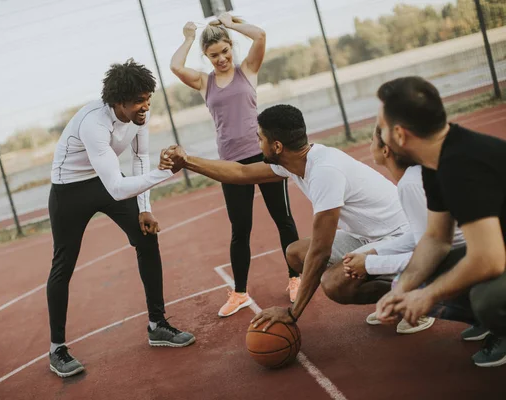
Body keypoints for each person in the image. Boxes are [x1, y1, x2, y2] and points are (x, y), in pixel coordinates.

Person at [159, 104, 408, 331]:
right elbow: (241, 172)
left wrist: (292, 313)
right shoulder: (296, 162)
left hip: (400, 237)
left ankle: (413, 291)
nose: (257, 145)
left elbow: (321, 251)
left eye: (260, 139)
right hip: (367, 237)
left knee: (334, 284)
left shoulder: (324, 172)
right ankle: (394, 291)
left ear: (277, 146)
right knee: (296, 253)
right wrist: (187, 161)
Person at [47, 59, 195, 378]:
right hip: (69, 190)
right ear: (118, 102)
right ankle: (56, 348)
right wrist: (165, 172)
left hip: (104, 179)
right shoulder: (93, 123)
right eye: (139, 101)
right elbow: (116, 188)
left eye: (148, 99)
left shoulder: (139, 115)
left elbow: (139, 157)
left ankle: (157, 325)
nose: (145, 106)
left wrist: (144, 207)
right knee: (64, 262)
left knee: (147, 236)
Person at [169, 13, 301, 316]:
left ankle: (295, 278)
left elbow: (260, 36)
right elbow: (176, 66)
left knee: (283, 219)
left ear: (231, 47)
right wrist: (189, 37)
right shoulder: (205, 82)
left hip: (263, 156)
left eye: (225, 51)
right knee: (240, 229)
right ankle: (240, 292)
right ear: (207, 56)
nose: (222, 58)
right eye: (214, 55)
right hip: (230, 163)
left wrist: (229, 23)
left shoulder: (248, 70)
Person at [374, 76, 506, 367]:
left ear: (399, 134)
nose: (379, 133)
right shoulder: (436, 160)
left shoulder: (462, 166)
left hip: (498, 254)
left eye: (380, 126)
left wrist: (427, 296)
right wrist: (403, 288)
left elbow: (490, 260)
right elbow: (436, 238)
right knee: (425, 274)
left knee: (488, 298)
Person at [343, 124, 466, 334]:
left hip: (477, 257)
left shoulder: (411, 183)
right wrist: (376, 251)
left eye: (372, 140)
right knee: (402, 282)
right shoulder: (417, 174)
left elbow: (428, 257)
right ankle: (484, 321)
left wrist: (369, 264)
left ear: (386, 150)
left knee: (403, 286)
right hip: (470, 250)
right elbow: (427, 233)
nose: (369, 145)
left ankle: (495, 323)